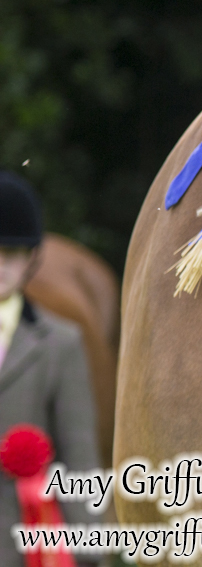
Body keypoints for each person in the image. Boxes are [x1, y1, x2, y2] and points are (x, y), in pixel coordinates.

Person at [0, 171, 99, 567]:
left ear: (30, 260)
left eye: (10, 256)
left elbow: (79, 453)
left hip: (26, 546)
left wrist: (89, 547)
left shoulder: (61, 344)